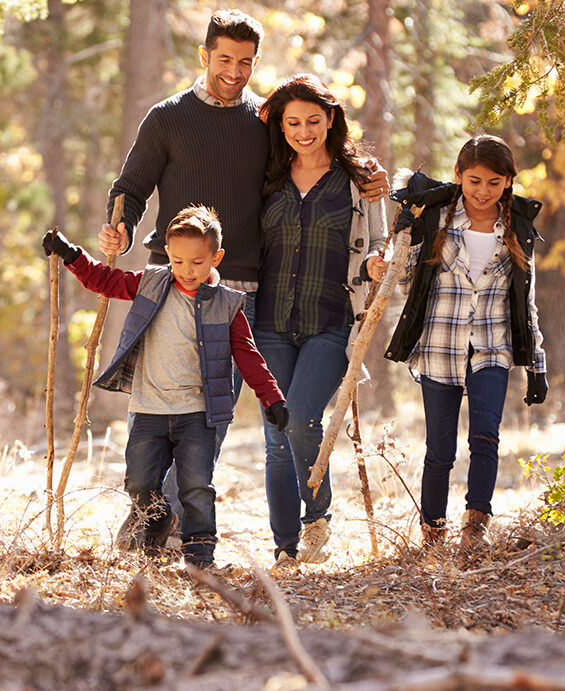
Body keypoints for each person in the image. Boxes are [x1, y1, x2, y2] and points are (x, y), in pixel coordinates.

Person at [97, 8, 387, 545]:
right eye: (224, 58)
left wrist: (368, 175)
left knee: (213, 416)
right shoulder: (166, 118)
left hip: (244, 294)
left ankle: (164, 522)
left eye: (246, 62)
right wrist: (118, 226)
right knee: (167, 406)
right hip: (174, 286)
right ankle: (149, 514)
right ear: (204, 55)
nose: (234, 70)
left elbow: (314, 157)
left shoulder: (264, 121)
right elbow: (130, 188)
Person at [43, 206, 289, 569]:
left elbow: (248, 355)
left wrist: (272, 397)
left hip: (198, 414)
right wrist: (70, 254)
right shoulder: (152, 283)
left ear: (216, 258)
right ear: (168, 256)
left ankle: (200, 555)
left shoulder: (228, 304)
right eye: (177, 261)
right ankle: (157, 519)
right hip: (148, 410)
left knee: (195, 487)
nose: (187, 271)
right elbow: (106, 281)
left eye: (197, 262)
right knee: (138, 483)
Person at [382, 135, 549, 553]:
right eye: (474, 180)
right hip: (440, 346)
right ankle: (432, 532)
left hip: (492, 347)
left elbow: (526, 300)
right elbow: (404, 285)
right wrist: (405, 241)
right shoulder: (437, 219)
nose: (483, 191)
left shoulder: (517, 229)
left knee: (486, 438)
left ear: (509, 182)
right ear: (458, 176)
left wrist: (537, 364)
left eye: (495, 182)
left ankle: (476, 526)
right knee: (440, 448)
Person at [253, 75, 388, 570]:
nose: (304, 131)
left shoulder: (359, 180)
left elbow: (380, 240)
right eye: (293, 122)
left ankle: (317, 513)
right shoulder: (266, 174)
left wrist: (378, 261)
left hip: (331, 321)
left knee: (304, 417)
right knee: (275, 434)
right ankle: (284, 546)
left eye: (313, 120)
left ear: (330, 119)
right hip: (268, 322)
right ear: (281, 126)